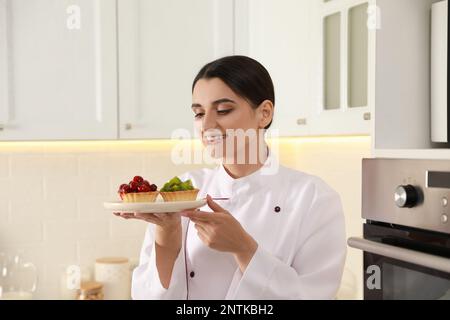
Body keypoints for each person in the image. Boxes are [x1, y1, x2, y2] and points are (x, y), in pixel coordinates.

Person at [116, 55, 346, 299]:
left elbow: (314, 295)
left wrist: (245, 249)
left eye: (223, 110)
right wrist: (167, 234)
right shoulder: (185, 191)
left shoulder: (313, 198)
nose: (207, 125)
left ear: (264, 114)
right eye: (198, 113)